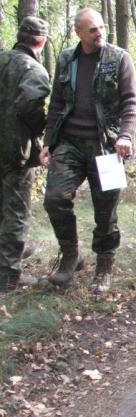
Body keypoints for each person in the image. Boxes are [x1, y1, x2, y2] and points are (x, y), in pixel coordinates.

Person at [40, 8, 136, 294]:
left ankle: (105, 265)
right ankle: (71, 255)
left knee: (105, 211)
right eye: (92, 30)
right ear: (79, 33)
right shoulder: (66, 59)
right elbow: (57, 103)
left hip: (106, 146)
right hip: (69, 143)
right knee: (55, 199)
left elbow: (131, 102)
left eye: (101, 28)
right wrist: (48, 142)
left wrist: (126, 136)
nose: (99, 33)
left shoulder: (118, 58)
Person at [0, 17, 52, 293]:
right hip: (14, 150)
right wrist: (39, 131)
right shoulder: (34, 69)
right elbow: (30, 104)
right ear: (41, 42)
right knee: (16, 212)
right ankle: (8, 276)